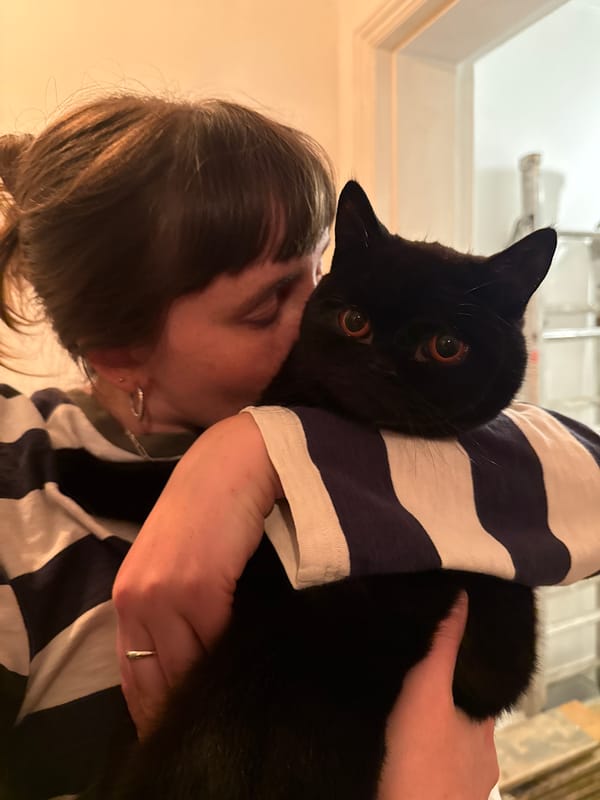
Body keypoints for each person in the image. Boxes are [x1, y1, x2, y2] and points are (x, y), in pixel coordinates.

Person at [0, 93, 598, 800]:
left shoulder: (336, 418)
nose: (315, 315)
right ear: (123, 354)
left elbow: (579, 468)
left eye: (317, 274)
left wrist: (253, 453)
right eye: (266, 306)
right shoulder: (19, 497)